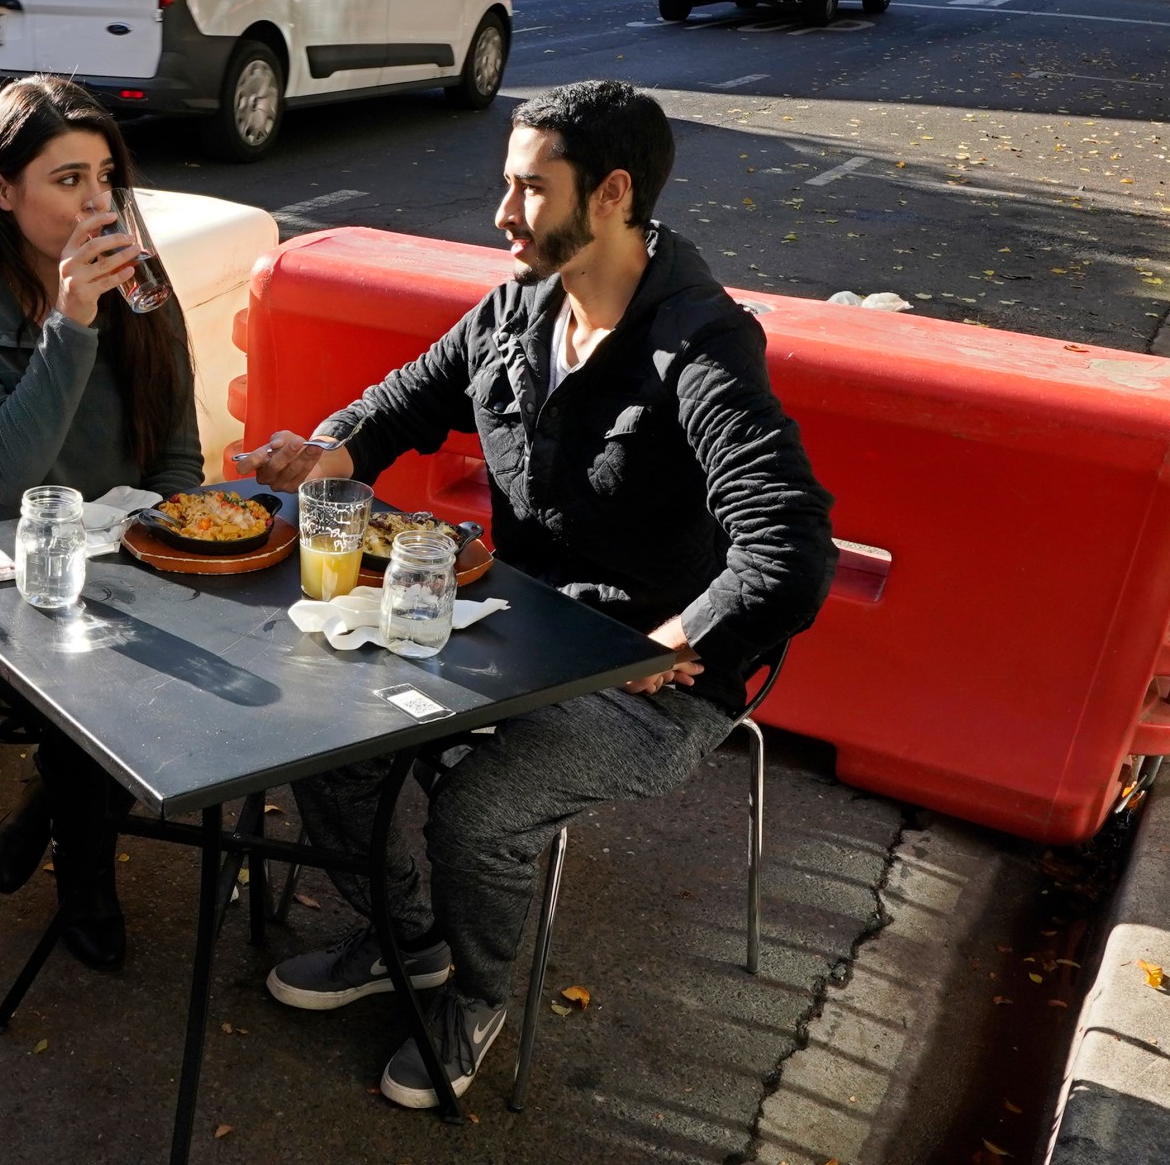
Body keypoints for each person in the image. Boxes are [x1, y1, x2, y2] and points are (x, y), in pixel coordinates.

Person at [237, 80, 836, 1107]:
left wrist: (683, 633)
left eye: (528, 189)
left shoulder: (699, 345)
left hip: (652, 683)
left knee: (476, 809)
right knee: (320, 730)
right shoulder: (518, 307)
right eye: (504, 184)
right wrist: (325, 451)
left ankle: (472, 994)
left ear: (610, 195)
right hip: (512, 632)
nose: (502, 213)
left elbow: (789, 547)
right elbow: (403, 402)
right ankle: (405, 937)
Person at [0, 74, 204, 970]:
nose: (96, 201)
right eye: (67, 179)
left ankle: (49, 807)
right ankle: (86, 879)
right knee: (94, 674)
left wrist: (174, 539)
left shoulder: (138, 284)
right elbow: (6, 469)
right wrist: (72, 319)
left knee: (219, 656)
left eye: (104, 176)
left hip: (120, 552)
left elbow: (175, 445)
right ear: (2, 188)